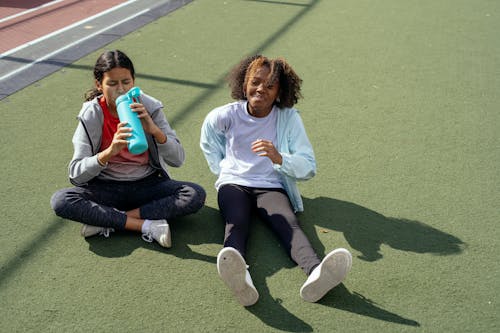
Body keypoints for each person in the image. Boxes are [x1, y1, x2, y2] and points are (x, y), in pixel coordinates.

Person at [200, 55, 352, 306]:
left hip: (270, 186)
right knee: (236, 222)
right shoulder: (225, 115)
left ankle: (316, 273)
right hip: (234, 183)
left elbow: (308, 166)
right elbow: (208, 141)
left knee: (289, 225)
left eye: (270, 86)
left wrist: (279, 157)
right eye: (255, 82)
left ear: (280, 92)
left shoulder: (289, 118)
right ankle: (240, 278)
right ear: (244, 83)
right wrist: (223, 170)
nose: (261, 89)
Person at [51, 49, 206, 248]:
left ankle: (110, 220)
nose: (121, 90)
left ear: (134, 82)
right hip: (106, 187)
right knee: (61, 201)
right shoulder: (91, 114)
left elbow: (178, 159)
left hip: (147, 184)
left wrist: (155, 131)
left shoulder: (149, 107)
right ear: (99, 85)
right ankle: (147, 226)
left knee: (194, 194)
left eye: (126, 82)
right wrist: (108, 153)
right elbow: (76, 174)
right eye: (112, 83)